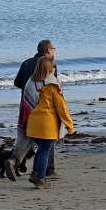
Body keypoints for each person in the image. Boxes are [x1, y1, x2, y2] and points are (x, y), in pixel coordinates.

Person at [8, 39, 59, 180]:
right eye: (53, 49)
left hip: (26, 105)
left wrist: (29, 88)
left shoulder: (26, 62)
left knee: (25, 136)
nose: (54, 51)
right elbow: (52, 87)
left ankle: (14, 161)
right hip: (43, 108)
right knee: (47, 141)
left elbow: (17, 82)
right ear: (48, 50)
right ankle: (48, 169)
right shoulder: (50, 64)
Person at [25, 56, 74, 189]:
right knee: (44, 152)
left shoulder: (31, 82)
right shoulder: (53, 85)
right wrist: (70, 125)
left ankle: (35, 174)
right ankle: (41, 179)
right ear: (50, 69)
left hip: (33, 122)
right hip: (47, 123)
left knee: (40, 150)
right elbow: (61, 107)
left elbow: (26, 102)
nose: (55, 69)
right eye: (54, 66)